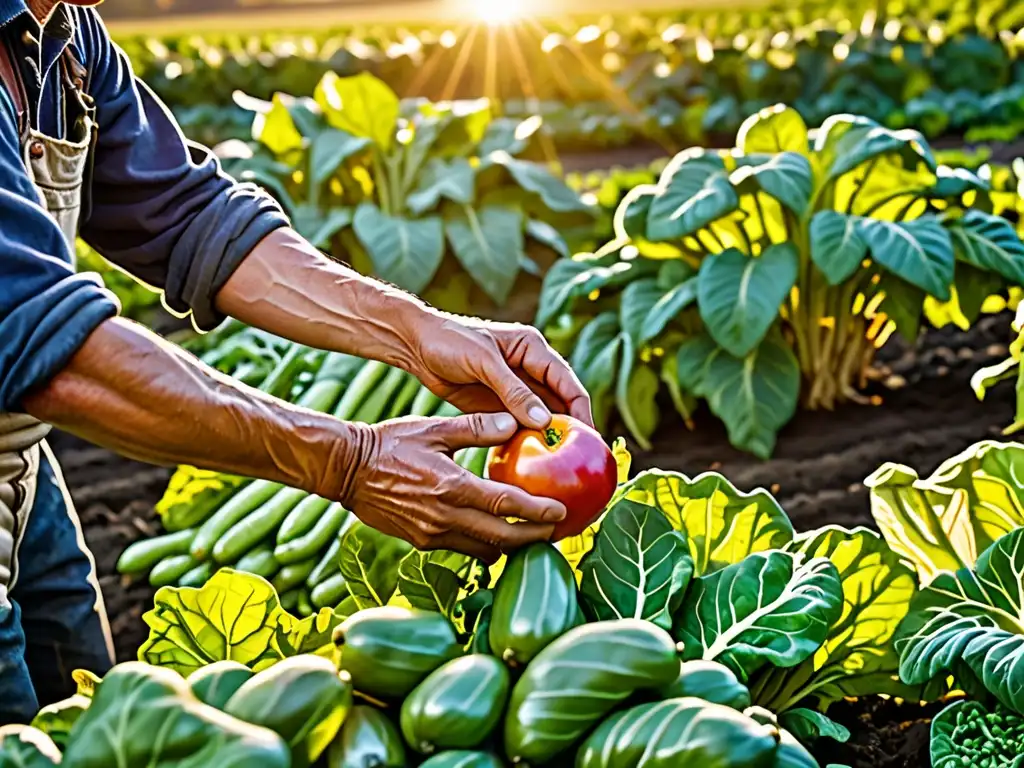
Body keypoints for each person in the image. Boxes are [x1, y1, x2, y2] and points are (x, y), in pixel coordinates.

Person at [0, 0, 592, 724]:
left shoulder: (65, 33)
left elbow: (188, 217)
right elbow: (48, 351)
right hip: (28, 395)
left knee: (85, 715)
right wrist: (346, 462)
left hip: (18, 461)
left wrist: (417, 330)